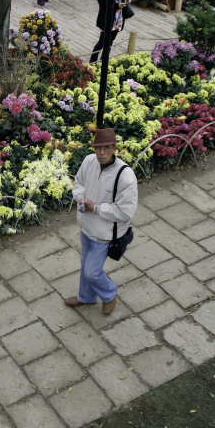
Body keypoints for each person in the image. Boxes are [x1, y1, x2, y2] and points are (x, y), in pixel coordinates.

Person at [65, 128, 138, 315]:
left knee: (92, 271)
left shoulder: (125, 176)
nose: (101, 153)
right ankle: (86, 297)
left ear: (114, 148)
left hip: (104, 234)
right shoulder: (89, 161)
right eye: (98, 148)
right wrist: (80, 198)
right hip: (86, 228)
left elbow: (125, 211)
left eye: (106, 148)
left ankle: (109, 293)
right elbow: (79, 182)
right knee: (86, 264)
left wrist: (96, 208)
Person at [89, 0, 132, 64]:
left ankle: (104, 58)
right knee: (102, 41)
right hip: (107, 18)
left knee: (111, 41)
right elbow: (103, 4)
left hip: (118, 17)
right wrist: (117, 6)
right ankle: (93, 59)